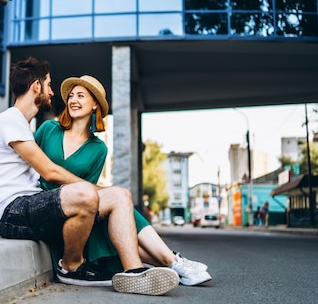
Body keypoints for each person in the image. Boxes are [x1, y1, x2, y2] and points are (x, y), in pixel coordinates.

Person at [0, 57, 180, 296]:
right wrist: (93, 190)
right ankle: (71, 267)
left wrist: (103, 193)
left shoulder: (25, 125)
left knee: (119, 196)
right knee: (88, 194)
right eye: (48, 85)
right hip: (11, 212)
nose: (53, 92)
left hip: (31, 205)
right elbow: (49, 172)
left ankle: (135, 272)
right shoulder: (10, 119)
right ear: (36, 87)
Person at [34, 75, 211, 286]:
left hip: (80, 212)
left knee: (121, 206)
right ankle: (172, 261)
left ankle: (166, 266)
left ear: (94, 105)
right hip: (48, 206)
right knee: (119, 196)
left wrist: (97, 190)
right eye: (71, 96)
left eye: (81, 96)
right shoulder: (48, 129)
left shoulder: (98, 148)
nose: (73, 100)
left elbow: (89, 194)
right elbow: (30, 166)